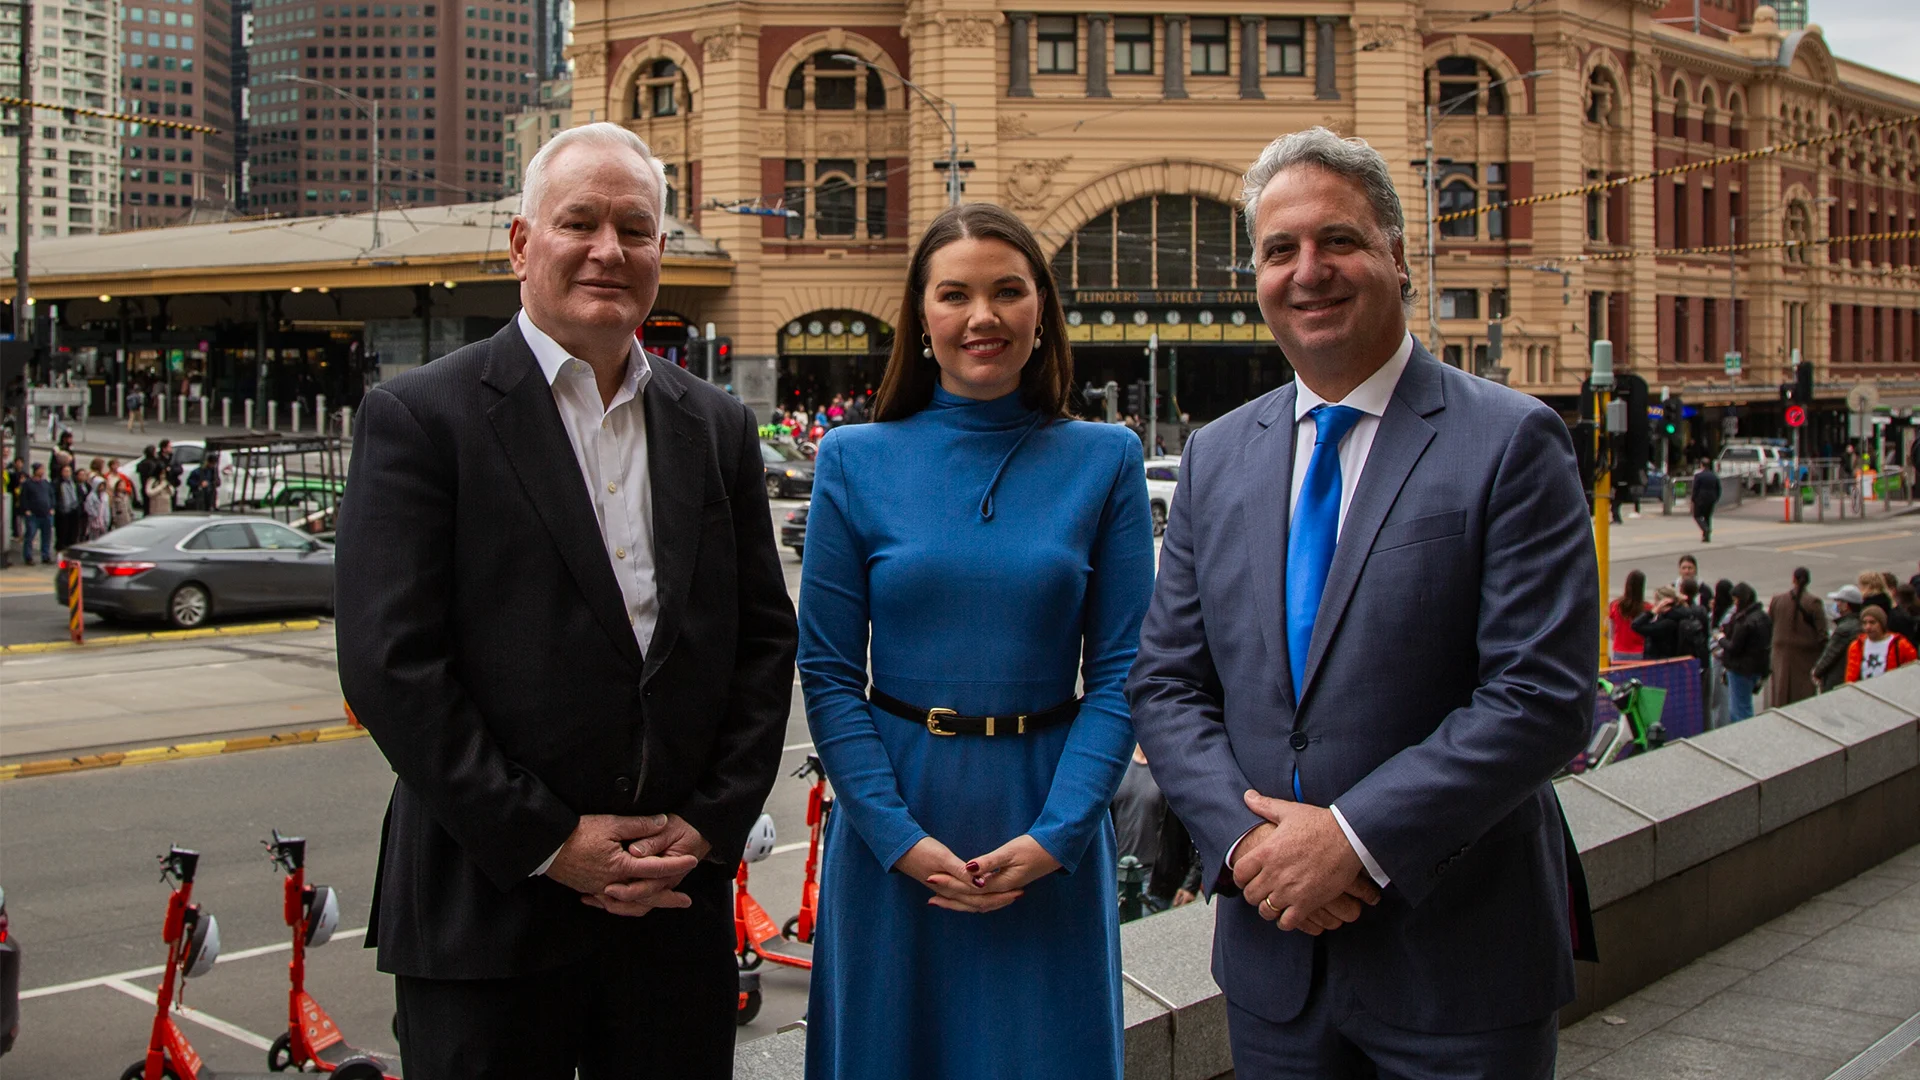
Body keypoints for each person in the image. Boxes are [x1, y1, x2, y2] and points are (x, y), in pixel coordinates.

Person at [1128, 128, 1596, 1079]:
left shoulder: (1513, 442)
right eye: (1278, 251)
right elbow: (1168, 685)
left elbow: (1540, 699)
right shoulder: (1216, 457)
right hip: (1274, 968)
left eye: (1337, 241)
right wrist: (1251, 845)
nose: (1309, 272)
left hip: (1459, 969)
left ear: (1396, 254)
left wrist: (1352, 840)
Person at [333, 122, 798, 1079]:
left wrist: (709, 823)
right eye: (578, 222)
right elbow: (393, 668)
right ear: (519, 244)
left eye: (636, 228)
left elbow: (759, 640)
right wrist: (551, 842)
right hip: (490, 911)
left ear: (661, 252)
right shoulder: (422, 417)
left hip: (673, 915)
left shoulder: (714, 426)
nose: (607, 250)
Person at [797, 202, 1152, 1080]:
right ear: (923, 319)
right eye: (954, 294)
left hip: (1048, 823)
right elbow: (830, 673)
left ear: (1042, 313)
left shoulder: (1107, 459)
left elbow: (1121, 675)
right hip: (894, 823)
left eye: (1007, 291)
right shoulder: (852, 457)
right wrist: (894, 836)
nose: (982, 316)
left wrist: (1060, 836)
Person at [1766, 567, 1827, 707]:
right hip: (1806, 659)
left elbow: (1770, 626)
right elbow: (1822, 634)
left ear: (1793, 579)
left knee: (1780, 695)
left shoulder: (1777, 600)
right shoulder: (1814, 603)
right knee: (1802, 700)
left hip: (1780, 657)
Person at [1719, 583, 1771, 722]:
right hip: (1756, 668)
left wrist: (1721, 639)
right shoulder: (1763, 617)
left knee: (1739, 709)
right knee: (1743, 705)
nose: (1735, 604)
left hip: (1740, 669)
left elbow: (1734, 647)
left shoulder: (1744, 621)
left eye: (1736, 600)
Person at [1813, 585, 1864, 693]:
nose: (1837, 604)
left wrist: (1816, 672)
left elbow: (1830, 654)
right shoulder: (1860, 624)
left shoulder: (1844, 628)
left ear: (1846, 605)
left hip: (1837, 679)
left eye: (1839, 601)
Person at [1847, 604, 1916, 682]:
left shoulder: (1899, 644)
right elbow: (1851, 676)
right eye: (1864, 623)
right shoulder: (1856, 646)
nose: (1868, 627)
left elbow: (1912, 670)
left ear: (1882, 624)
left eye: (1872, 622)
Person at [1707, 579, 1737, 729]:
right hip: (1725, 658)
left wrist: (1714, 650)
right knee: (1724, 697)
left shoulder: (1715, 614)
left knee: (1718, 698)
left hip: (1717, 659)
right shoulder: (1732, 613)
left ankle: (1719, 725)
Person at [1609, 569, 1649, 663]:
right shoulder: (1647, 608)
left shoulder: (1615, 605)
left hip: (1619, 650)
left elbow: (1611, 633)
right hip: (1640, 651)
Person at [19, 464, 53, 565]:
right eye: (41, 469)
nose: (42, 471)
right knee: (30, 536)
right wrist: (26, 510)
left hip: (46, 514)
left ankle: (45, 555)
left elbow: (51, 495)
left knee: (46, 536)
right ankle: (28, 556)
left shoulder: (46, 483)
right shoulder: (28, 484)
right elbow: (23, 497)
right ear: (35, 471)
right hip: (33, 515)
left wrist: (52, 507)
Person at [51, 463, 83, 550]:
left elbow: (80, 495)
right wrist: (58, 507)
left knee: (73, 532)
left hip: (74, 510)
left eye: (69, 471)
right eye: (65, 471)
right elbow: (54, 496)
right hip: (62, 511)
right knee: (62, 532)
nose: (67, 473)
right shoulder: (57, 483)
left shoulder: (74, 483)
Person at [1690, 459, 1721, 542]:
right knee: (1707, 516)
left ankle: (1705, 529)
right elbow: (1718, 488)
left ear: (1701, 465)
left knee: (1697, 516)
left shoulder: (1698, 476)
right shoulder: (1714, 476)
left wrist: (1693, 499)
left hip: (1701, 498)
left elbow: (1695, 489)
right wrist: (1716, 498)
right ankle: (1706, 537)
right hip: (1711, 498)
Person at [105, 458, 135, 529]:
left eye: (117, 465)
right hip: (110, 498)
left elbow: (129, 487)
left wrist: (123, 489)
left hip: (120, 497)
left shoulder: (122, 476)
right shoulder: (107, 476)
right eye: (114, 465)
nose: (116, 467)